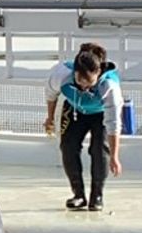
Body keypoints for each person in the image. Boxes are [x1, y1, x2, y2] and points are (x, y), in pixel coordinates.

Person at [44, 41, 123, 211]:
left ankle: (97, 196)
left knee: (99, 149)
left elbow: (114, 124)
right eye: (80, 81)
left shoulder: (109, 87)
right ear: (75, 72)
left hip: (101, 114)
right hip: (74, 109)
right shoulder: (62, 75)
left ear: (99, 72)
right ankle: (78, 194)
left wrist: (115, 156)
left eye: (89, 83)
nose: (83, 87)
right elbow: (51, 95)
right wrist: (49, 118)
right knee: (68, 146)